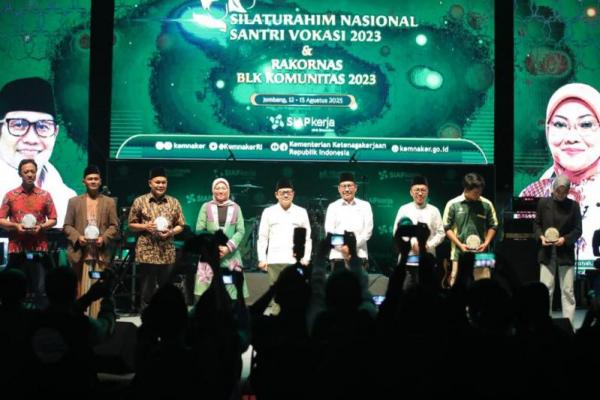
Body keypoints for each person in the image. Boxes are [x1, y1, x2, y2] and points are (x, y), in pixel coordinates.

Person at [520, 82, 600, 263]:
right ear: (548, 130)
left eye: (586, 124)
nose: (571, 138)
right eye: (560, 124)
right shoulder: (533, 193)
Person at [0, 77, 76, 226]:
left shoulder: (67, 199)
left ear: (55, 133)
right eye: (19, 125)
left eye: (43, 126)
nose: (31, 139)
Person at [63, 165, 119, 317]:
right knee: (80, 288)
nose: (93, 181)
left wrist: (104, 238)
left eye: (96, 179)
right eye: (90, 179)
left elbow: (114, 226)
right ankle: (78, 320)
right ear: (84, 182)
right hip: (80, 253)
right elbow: (67, 226)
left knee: (99, 288)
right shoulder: (74, 201)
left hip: (100, 253)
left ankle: (97, 320)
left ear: (100, 181)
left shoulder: (109, 202)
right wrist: (78, 237)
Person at [0, 159, 57, 308]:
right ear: (20, 173)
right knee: (15, 290)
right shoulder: (10, 195)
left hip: (39, 249)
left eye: (32, 171)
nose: (30, 174)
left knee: (41, 290)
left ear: (36, 173)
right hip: (17, 249)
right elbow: (0, 220)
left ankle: (41, 318)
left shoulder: (45, 195)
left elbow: (53, 219)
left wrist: (42, 227)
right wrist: (15, 226)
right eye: (26, 172)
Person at [128, 167, 185, 312]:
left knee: (166, 289)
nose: (161, 185)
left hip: (167, 252)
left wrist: (171, 232)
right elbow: (131, 225)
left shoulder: (174, 202)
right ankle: (146, 317)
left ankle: (164, 316)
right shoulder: (140, 201)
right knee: (147, 289)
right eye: (157, 182)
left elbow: (181, 225)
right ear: (150, 183)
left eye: (163, 182)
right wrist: (145, 226)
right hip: (147, 252)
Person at [534, 175, 582, 323]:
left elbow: (578, 230)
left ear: (568, 191)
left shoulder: (574, 206)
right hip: (547, 252)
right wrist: (541, 237)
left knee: (568, 291)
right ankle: (544, 323)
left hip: (565, 252)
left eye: (564, 191)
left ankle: (569, 325)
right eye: (558, 191)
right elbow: (536, 224)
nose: (561, 194)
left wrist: (565, 240)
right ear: (553, 188)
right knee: (545, 290)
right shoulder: (543, 203)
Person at [257, 178, 312, 307]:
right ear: (276, 194)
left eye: (288, 192)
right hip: (274, 261)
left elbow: (307, 238)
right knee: (276, 297)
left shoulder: (301, 212)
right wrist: (262, 259)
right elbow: (263, 237)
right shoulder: (268, 212)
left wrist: (306, 258)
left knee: (295, 295)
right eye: (282, 192)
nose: (286, 195)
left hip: (295, 261)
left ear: (293, 194)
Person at [194, 177, 249, 300]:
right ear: (213, 190)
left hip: (231, 255)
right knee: (207, 292)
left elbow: (240, 231)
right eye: (217, 188)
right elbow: (199, 229)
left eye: (223, 188)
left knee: (232, 289)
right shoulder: (206, 207)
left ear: (228, 190)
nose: (220, 191)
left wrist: (228, 247)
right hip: (209, 254)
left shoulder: (236, 208)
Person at [443, 172, 498, 287]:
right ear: (466, 189)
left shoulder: (487, 204)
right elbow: (446, 228)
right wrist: (460, 245)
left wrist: (486, 243)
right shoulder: (452, 204)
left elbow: (493, 226)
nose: (479, 195)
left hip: (483, 253)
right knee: (457, 286)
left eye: (480, 192)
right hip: (459, 253)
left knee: (484, 285)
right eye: (476, 192)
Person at [393, 175, 445, 290]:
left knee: (427, 293)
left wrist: (427, 245)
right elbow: (397, 231)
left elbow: (441, 233)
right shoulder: (404, 209)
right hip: (407, 260)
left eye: (423, 190)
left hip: (427, 260)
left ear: (427, 192)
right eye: (417, 190)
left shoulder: (434, 210)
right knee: (405, 292)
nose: (420, 193)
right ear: (411, 192)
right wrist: (412, 243)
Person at [324, 172, 373, 271]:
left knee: (358, 282)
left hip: (359, 255)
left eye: (349, 186)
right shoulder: (333, 207)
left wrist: (351, 246)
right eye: (343, 186)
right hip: (338, 256)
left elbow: (367, 231)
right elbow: (330, 233)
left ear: (355, 188)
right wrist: (343, 248)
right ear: (339, 189)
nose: (346, 189)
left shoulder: (365, 206)